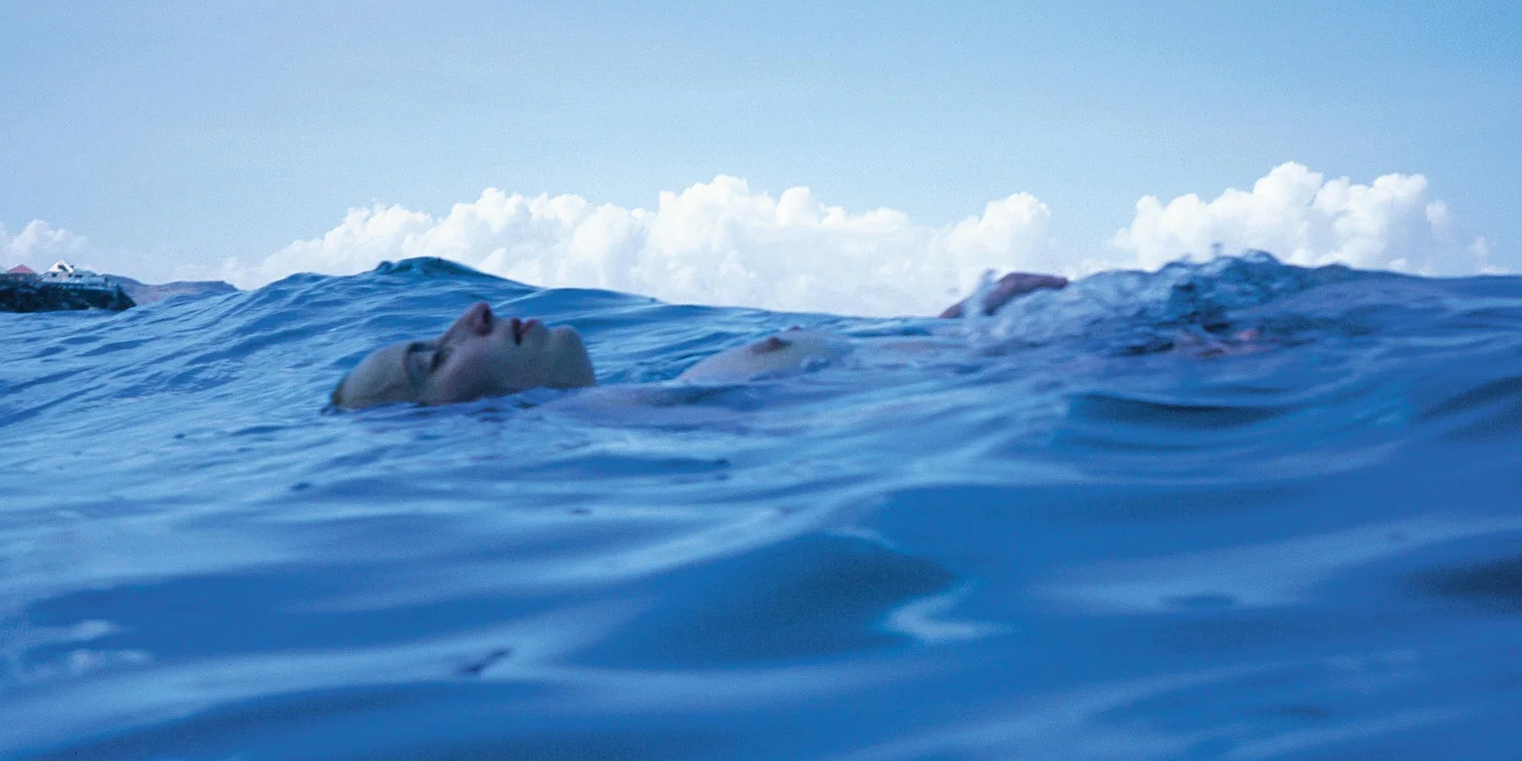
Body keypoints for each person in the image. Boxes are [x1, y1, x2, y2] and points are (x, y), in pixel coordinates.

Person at [330, 272, 1071, 410]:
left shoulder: (639, 405)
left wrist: (951, 326)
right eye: (437, 356)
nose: (477, 313)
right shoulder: (602, 421)